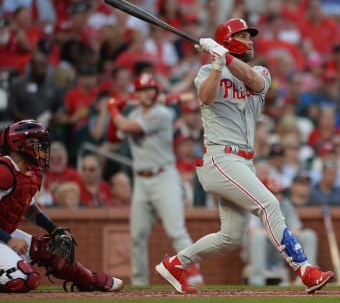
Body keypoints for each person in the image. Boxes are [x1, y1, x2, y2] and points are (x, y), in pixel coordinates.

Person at [155, 18, 334, 294]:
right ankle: (304, 269)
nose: (251, 41)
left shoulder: (260, 70)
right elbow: (206, 97)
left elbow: (254, 81)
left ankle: (176, 263)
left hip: (243, 162)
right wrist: (216, 64)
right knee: (269, 205)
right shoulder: (206, 71)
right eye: (244, 36)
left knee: (231, 236)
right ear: (228, 41)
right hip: (220, 158)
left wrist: (224, 58)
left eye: (250, 37)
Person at [0, 119, 123, 292]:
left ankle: (88, 279)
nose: (41, 147)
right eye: (35, 142)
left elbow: (28, 207)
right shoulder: (4, 170)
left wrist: (53, 228)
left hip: (5, 232)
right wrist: (9, 239)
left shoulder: (30, 172)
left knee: (48, 250)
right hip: (4, 235)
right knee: (24, 279)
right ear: (18, 143)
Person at [107, 73, 203, 286]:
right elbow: (114, 135)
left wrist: (113, 108)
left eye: (150, 89)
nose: (147, 93)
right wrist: (118, 112)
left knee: (176, 231)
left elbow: (128, 128)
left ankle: (195, 276)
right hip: (140, 180)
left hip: (164, 177)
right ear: (137, 94)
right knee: (137, 237)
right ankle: (140, 284)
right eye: (142, 90)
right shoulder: (132, 113)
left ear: (157, 92)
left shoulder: (163, 113)